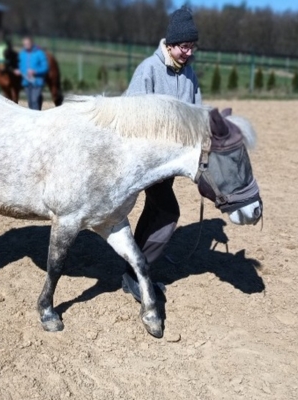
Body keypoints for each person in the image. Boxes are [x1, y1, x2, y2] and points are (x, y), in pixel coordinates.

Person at [122, 7, 201, 302]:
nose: (188, 52)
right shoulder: (149, 69)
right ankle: (134, 274)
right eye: (184, 46)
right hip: (144, 161)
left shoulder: (189, 73)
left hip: (169, 164)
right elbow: (130, 115)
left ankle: (133, 267)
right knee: (167, 212)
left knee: (157, 210)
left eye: (192, 47)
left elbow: (196, 112)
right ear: (169, 44)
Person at [14, 36, 49, 110]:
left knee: (34, 100)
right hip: (26, 81)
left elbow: (45, 68)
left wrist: (35, 71)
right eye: (24, 44)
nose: (26, 45)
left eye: (27, 44)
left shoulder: (39, 53)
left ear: (32, 43)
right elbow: (20, 66)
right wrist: (19, 71)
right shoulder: (22, 54)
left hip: (37, 82)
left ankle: (36, 118)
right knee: (30, 102)